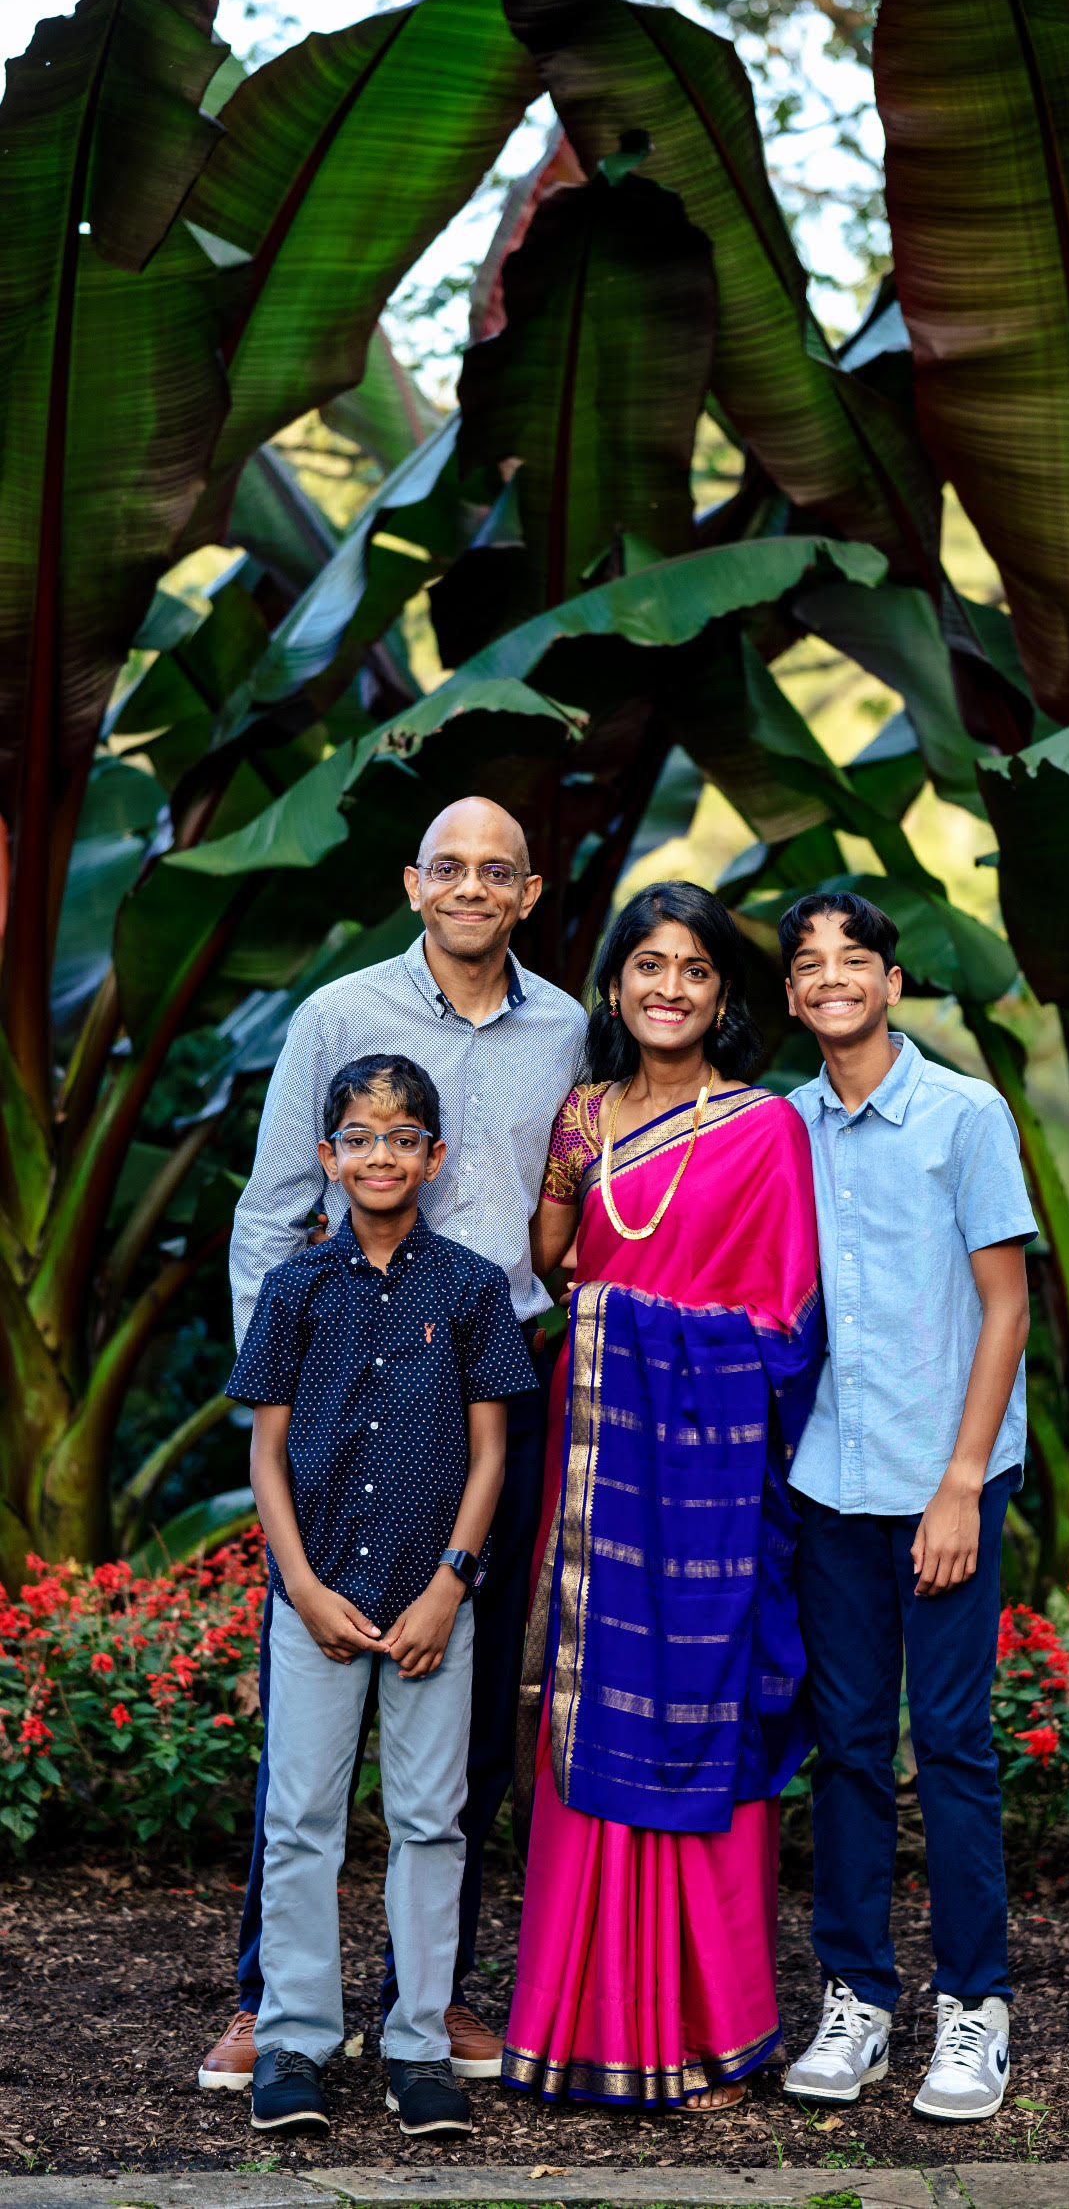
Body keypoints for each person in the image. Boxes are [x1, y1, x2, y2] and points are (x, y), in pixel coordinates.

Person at [200, 798, 586, 2092]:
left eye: (498, 872)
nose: (472, 888)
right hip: (337, 1391)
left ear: (527, 894)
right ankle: (272, 1999)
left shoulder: (564, 1027)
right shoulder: (337, 1017)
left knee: (463, 1706)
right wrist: (284, 1394)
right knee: (308, 1706)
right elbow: (267, 1215)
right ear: (414, 883)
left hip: (493, 1393)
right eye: (450, 867)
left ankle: (433, 1999)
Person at [502, 881, 824, 2114]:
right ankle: (583, 2024)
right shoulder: (583, 1115)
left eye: (694, 968)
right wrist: (566, 1207)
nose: (669, 987)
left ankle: (715, 2023)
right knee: (591, 1711)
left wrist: (619, 1313)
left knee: (704, 1713)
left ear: (726, 996)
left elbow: (787, 1322)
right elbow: (553, 1258)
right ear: (618, 984)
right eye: (648, 964)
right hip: (599, 1471)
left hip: (704, 1484)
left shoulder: (762, 1130)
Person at [232, 1053, 537, 2138]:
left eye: (402, 1137)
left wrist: (451, 1587)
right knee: (302, 1818)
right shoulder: (294, 1288)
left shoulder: (468, 1286)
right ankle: (297, 2040)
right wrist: (301, 1586)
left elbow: (492, 1455)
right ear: (327, 1155)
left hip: (427, 1610)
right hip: (316, 1603)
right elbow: (267, 1455)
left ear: (433, 1156)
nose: (379, 1154)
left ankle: (416, 2046)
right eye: (357, 1136)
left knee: (428, 1820)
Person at [778, 893, 1035, 2124]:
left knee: (950, 1743)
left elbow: (1007, 1309)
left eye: (855, 960)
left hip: (947, 1483)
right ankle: (859, 2000)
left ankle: (975, 2009)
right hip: (831, 1477)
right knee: (845, 1750)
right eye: (810, 965)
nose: (833, 978)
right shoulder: (783, 1128)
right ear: (790, 996)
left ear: (890, 981)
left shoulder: (961, 1115)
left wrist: (960, 1487)